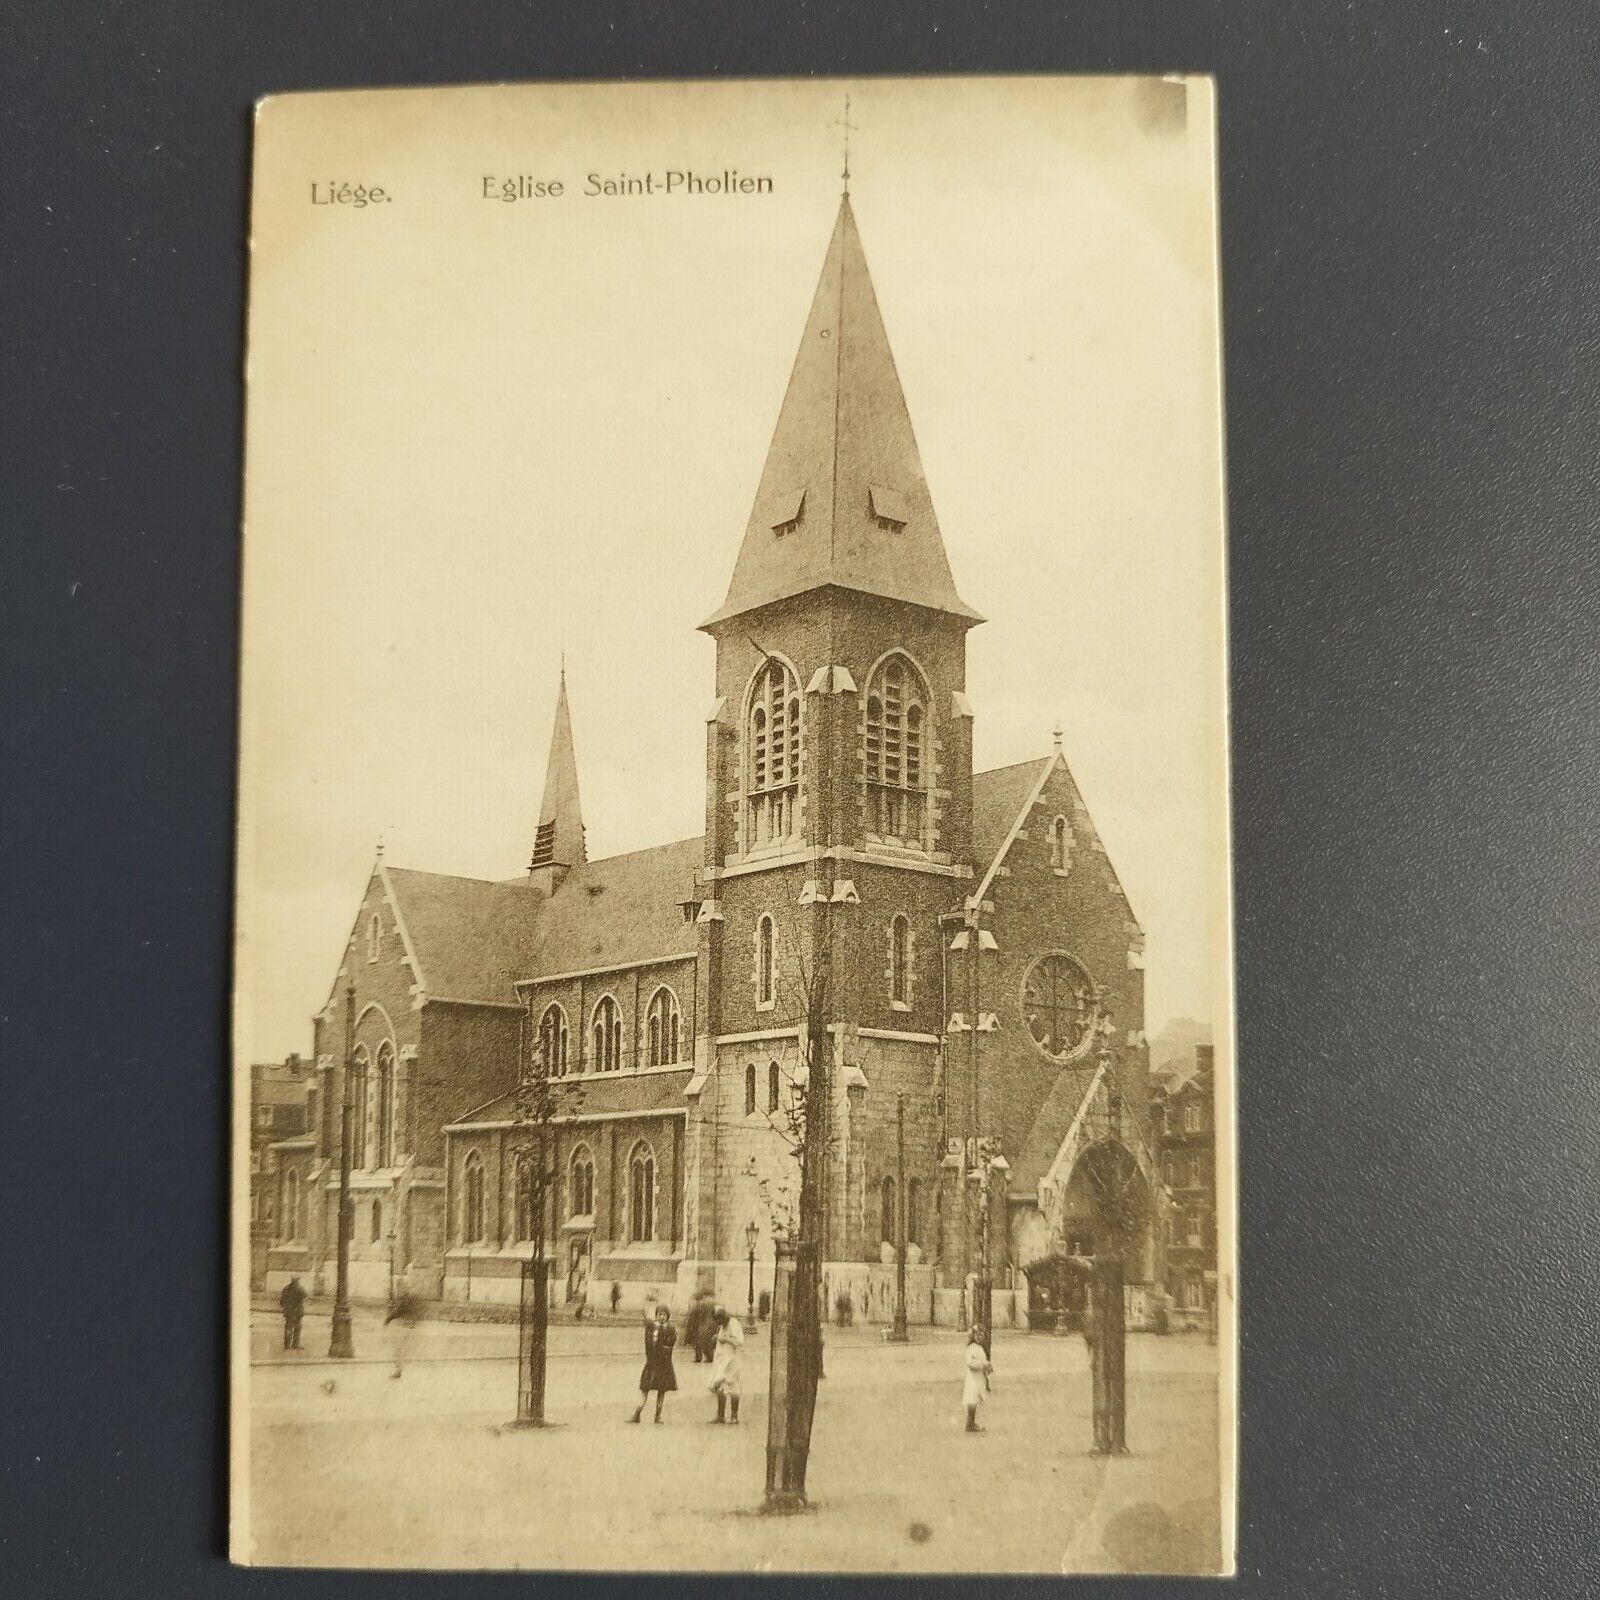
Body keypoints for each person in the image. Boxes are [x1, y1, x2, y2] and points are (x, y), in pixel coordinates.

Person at [629, 1302, 677, 1424]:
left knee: (661, 1391)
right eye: (659, 1314)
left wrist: (662, 1345)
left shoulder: (671, 1328)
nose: (662, 1317)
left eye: (664, 1315)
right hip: (652, 1363)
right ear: (656, 1315)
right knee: (645, 1389)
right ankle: (637, 1414)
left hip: (664, 1365)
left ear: (668, 1316)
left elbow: (670, 1344)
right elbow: (648, 1343)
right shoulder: (652, 1328)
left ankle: (658, 1416)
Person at [707, 1307, 745, 1424]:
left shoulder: (733, 1324)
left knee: (733, 1386)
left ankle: (734, 1415)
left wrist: (724, 1339)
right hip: (722, 1360)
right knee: (720, 1386)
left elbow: (739, 1341)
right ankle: (721, 1415)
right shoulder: (722, 1326)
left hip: (732, 1360)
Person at [962, 1325, 993, 1433]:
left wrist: (987, 1368)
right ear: (973, 1336)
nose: (980, 1337)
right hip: (973, 1378)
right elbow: (970, 1363)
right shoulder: (972, 1348)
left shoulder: (979, 1348)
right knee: (972, 1400)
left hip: (978, 1378)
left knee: (974, 1400)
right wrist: (983, 1365)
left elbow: (982, 1361)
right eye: (978, 1335)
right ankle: (969, 1424)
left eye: (982, 1335)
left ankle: (971, 1423)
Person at [278, 1276, 306, 1350]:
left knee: (288, 1328)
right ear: (297, 1281)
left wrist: (285, 1309)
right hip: (297, 1312)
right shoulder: (299, 1289)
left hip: (289, 1313)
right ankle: (295, 1345)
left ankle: (287, 1345)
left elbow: (281, 1301)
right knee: (297, 1328)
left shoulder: (286, 1288)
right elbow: (305, 1295)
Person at [684, 1293, 712, 1363]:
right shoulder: (695, 1307)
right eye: (697, 1300)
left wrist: (703, 1326)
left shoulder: (703, 1307)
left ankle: (709, 1357)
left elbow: (706, 1318)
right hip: (695, 1328)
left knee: (704, 1344)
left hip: (701, 1328)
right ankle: (699, 1358)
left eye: (699, 1300)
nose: (698, 1302)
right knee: (697, 1344)